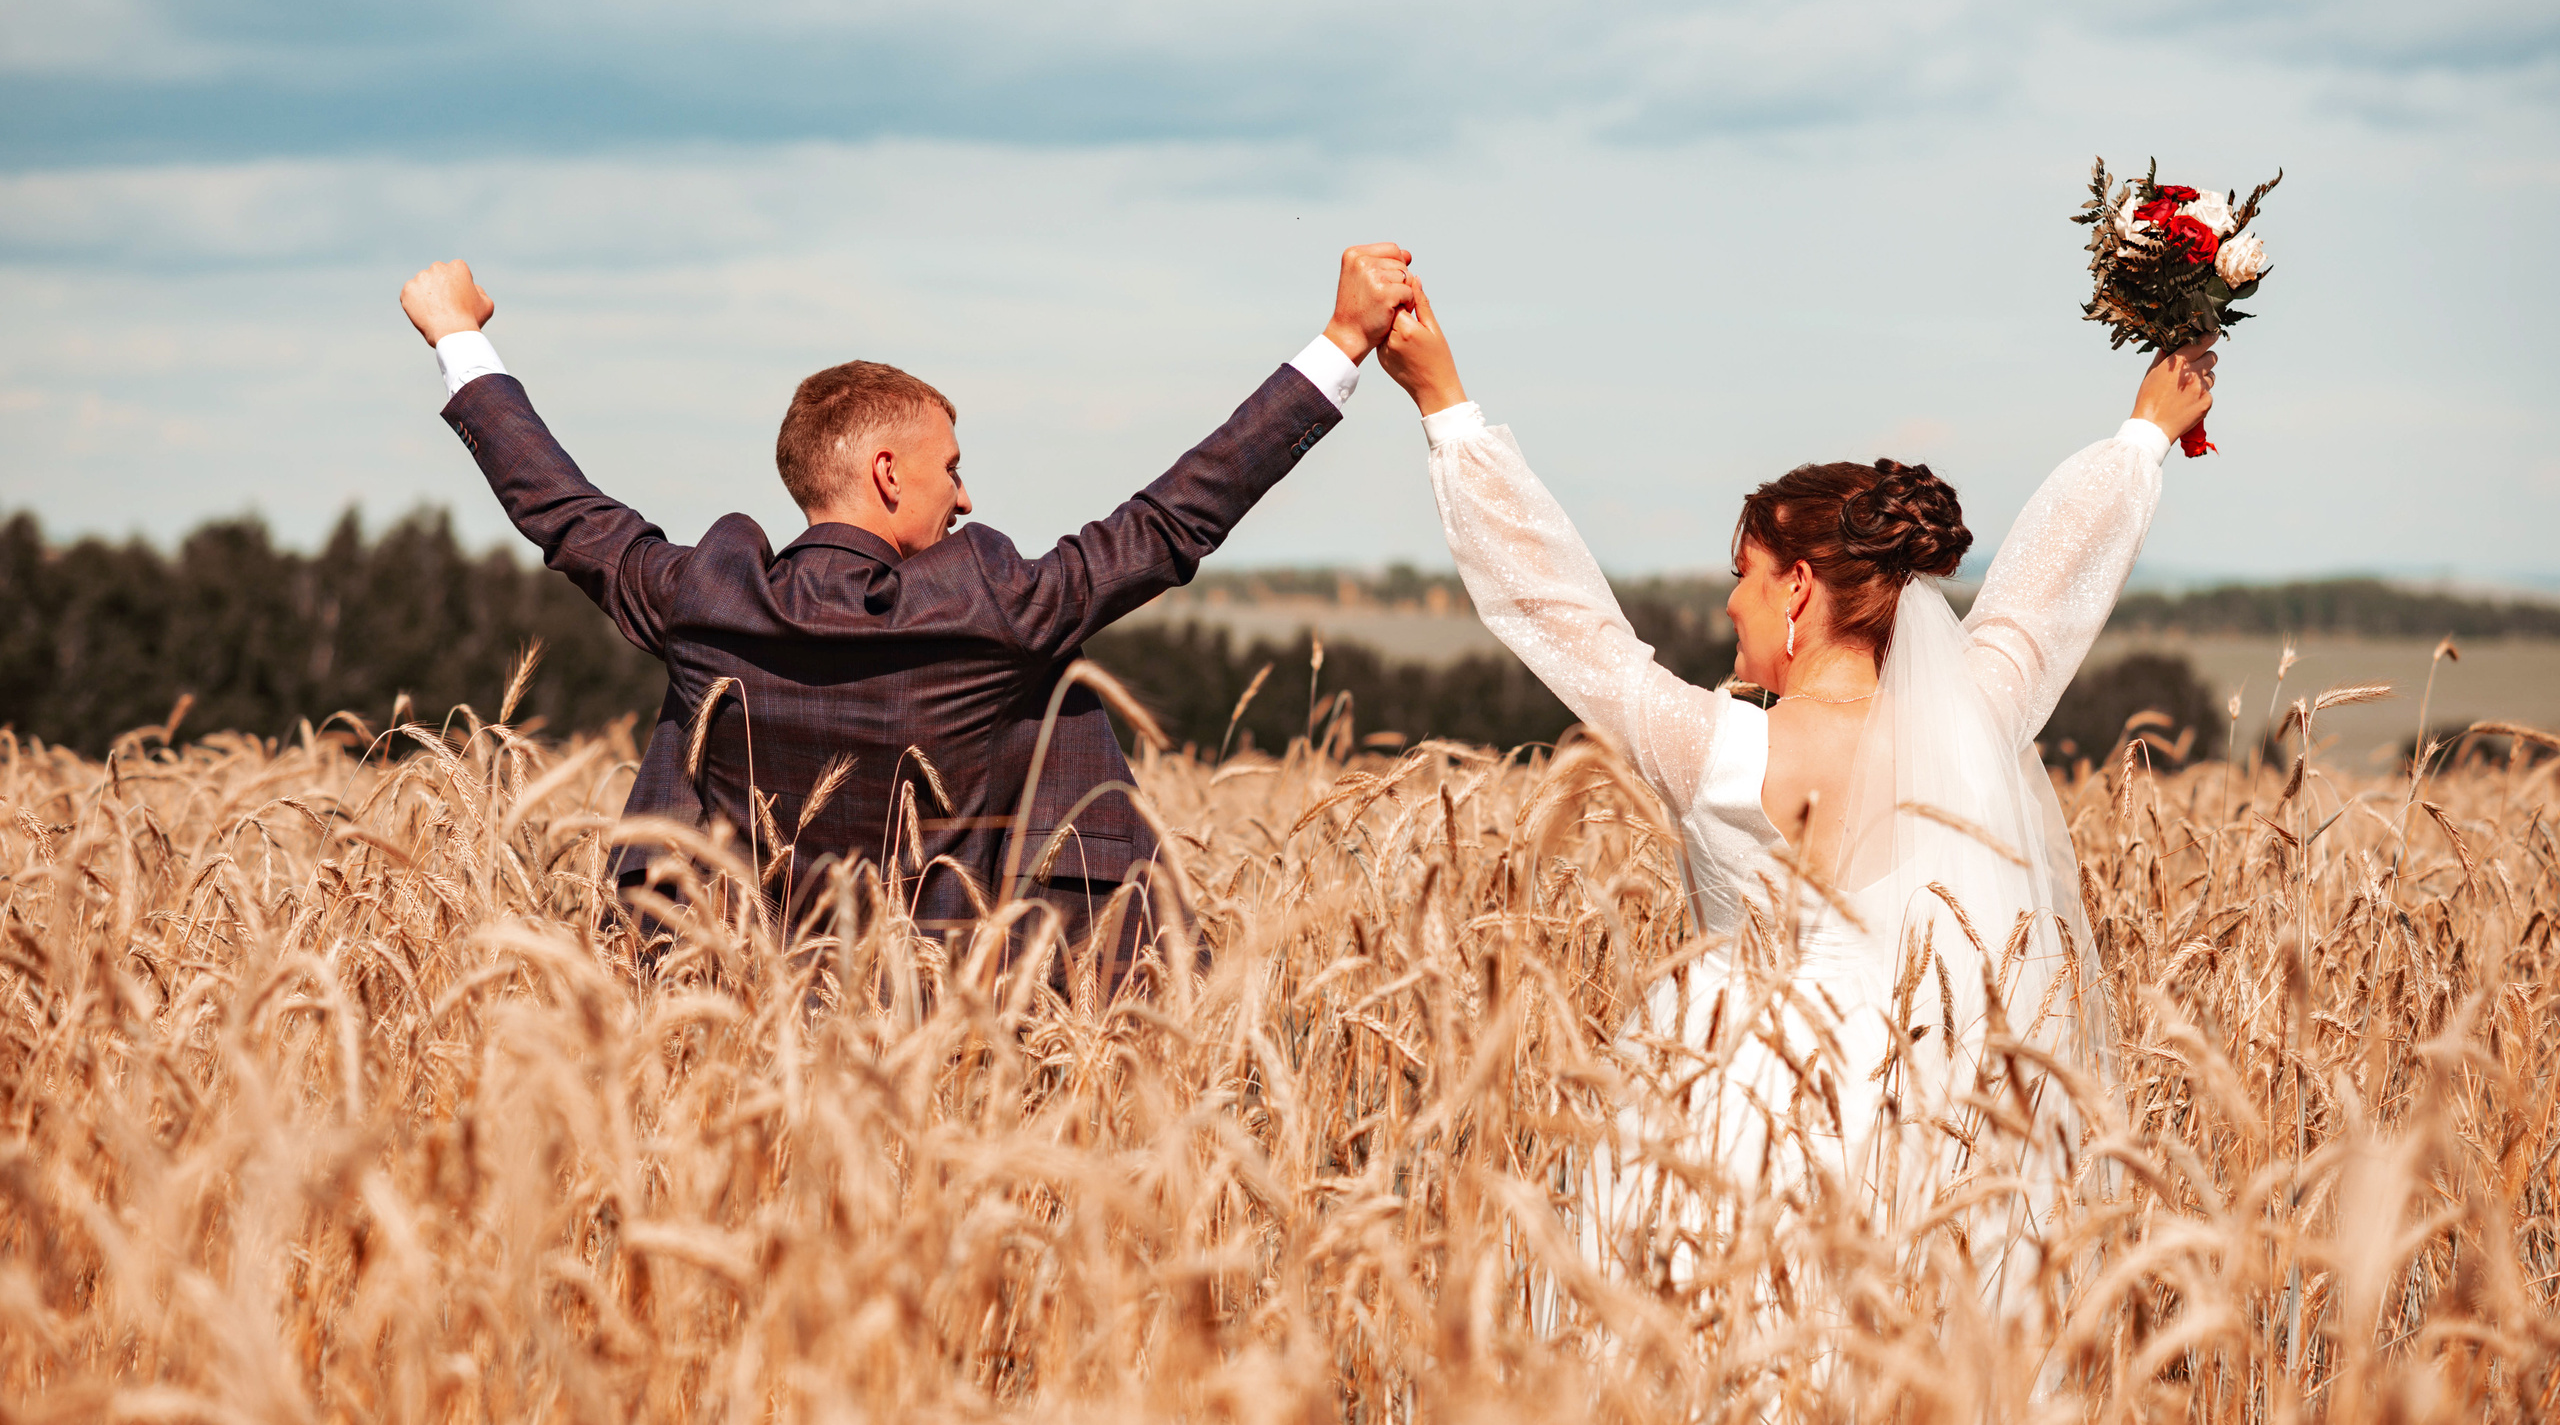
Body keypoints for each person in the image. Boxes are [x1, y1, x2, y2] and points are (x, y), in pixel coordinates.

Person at [1374, 278, 2215, 1278]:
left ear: (1797, 588)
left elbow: (1559, 613)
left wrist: (1445, 405)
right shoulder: (1970, 724)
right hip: (1931, 1127)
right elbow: (2042, 594)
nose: (1730, 601)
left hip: (1722, 1124)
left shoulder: (1711, 747)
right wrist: (2143, 436)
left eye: (1744, 571)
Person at [398, 246, 1419, 990]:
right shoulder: (995, 604)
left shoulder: (703, 603)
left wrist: (459, 335)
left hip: (748, 1014)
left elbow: (563, 510)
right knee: (1053, 699)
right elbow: (1173, 517)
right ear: (888, 472)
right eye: (952, 468)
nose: (966, 498)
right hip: (974, 1018)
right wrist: (1340, 344)